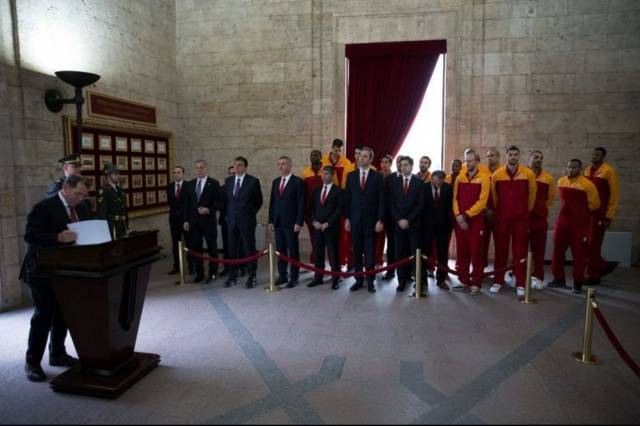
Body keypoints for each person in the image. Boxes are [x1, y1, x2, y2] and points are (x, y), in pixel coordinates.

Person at [21, 175, 89, 382]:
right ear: (66, 188)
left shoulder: (81, 208)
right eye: (78, 194)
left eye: (83, 196)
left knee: (63, 314)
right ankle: (32, 362)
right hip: (41, 270)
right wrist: (57, 237)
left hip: (67, 270)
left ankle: (57, 353)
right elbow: (30, 236)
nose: (80, 199)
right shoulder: (44, 207)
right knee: (43, 316)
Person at [490, 145, 536, 297]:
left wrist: (524, 212)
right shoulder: (497, 174)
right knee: (500, 251)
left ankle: (520, 282)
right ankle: (498, 281)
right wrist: (500, 212)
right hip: (502, 218)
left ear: (519, 156)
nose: (513, 157)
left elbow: (532, 196)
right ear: (506, 156)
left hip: (521, 220)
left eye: (516, 154)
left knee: (520, 251)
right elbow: (494, 197)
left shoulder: (528, 174)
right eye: (510, 154)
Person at [547, 159, 600, 294]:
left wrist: (581, 215)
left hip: (579, 224)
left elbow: (595, 205)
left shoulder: (588, 185)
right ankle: (558, 278)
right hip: (562, 222)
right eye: (569, 167)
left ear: (580, 169)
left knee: (579, 254)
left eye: (574, 167)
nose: (571, 169)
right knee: (557, 250)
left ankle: (578, 282)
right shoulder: (561, 181)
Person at [344, 147, 384, 293]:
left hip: (371, 221)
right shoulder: (351, 176)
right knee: (356, 251)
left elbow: (381, 200)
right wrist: (347, 218)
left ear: (371, 159)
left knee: (369, 251)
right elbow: (347, 198)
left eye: (365, 156)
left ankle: (370, 280)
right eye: (360, 155)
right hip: (355, 220)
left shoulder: (377, 176)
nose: (361, 158)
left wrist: (380, 219)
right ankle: (358, 279)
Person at [453, 150, 490, 295]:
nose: (467, 163)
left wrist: (466, 215)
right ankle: (463, 280)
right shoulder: (460, 178)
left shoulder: (484, 179)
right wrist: (458, 216)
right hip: (460, 221)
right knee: (462, 252)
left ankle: (476, 282)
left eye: (470, 160)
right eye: (466, 161)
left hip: (476, 221)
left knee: (476, 252)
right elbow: (455, 199)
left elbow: (482, 202)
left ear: (477, 162)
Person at [223, 156, 263, 289]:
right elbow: (228, 201)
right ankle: (232, 276)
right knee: (232, 249)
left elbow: (258, 201)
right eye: (235, 164)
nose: (237, 167)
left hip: (247, 220)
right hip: (232, 221)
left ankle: (252, 276)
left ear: (245, 167)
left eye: (240, 165)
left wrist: (248, 213)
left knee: (249, 249)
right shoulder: (228, 181)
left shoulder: (253, 181)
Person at [183, 160, 223, 284]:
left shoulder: (214, 183)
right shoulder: (190, 184)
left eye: (201, 167)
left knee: (212, 248)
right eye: (197, 168)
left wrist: (209, 210)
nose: (199, 170)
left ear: (206, 168)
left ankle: (213, 272)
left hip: (208, 222)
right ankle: (199, 273)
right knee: (196, 248)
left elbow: (220, 202)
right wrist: (186, 220)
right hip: (194, 222)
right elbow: (186, 204)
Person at [269, 156, 305, 288]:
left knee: (293, 250)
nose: (280, 166)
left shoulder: (298, 182)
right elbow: (273, 202)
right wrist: (271, 220)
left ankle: (294, 277)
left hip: (291, 223)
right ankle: (282, 275)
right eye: (279, 164)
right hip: (278, 222)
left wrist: (298, 222)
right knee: (280, 250)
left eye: (283, 164)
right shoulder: (276, 182)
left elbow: (301, 204)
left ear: (289, 166)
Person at [584, 147, 619, 285]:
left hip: (600, 215)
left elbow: (614, 195)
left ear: (603, 157)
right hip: (587, 214)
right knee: (586, 244)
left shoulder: (608, 171)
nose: (594, 156)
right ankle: (603, 265)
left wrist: (608, 216)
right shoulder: (587, 170)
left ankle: (593, 275)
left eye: (598, 155)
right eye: (593, 154)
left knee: (593, 244)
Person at [389, 156, 424, 293]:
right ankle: (401, 281)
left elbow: (420, 205)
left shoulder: (418, 182)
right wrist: (399, 220)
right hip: (398, 225)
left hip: (413, 225)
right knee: (399, 254)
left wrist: (408, 220)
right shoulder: (395, 182)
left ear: (411, 166)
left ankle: (417, 281)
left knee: (415, 254)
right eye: (401, 165)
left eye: (406, 165)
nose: (403, 167)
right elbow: (391, 203)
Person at [308, 166, 343, 290]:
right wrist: (314, 221)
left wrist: (327, 223)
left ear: (332, 175)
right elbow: (312, 208)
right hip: (317, 227)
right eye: (322, 173)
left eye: (327, 173)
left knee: (333, 254)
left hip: (331, 228)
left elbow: (339, 210)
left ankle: (336, 278)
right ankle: (318, 277)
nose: (323, 176)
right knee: (318, 253)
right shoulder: (317, 190)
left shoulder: (338, 191)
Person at [422, 170, 453, 290]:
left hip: (443, 225)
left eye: (440, 180)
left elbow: (450, 206)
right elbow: (420, 205)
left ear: (443, 180)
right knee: (424, 252)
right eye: (435, 180)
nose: (437, 183)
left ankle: (441, 280)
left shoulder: (448, 188)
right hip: (426, 226)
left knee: (442, 253)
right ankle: (422, 280)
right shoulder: (424, 187)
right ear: (432, 178)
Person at [527, 151, 554, 290]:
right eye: (536, 157)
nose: (539, 160)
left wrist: (540, 208)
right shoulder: (523, 174)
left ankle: (538, 277)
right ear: (530, 159)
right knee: (520, 250)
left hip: (539, 219)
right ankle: (518, 276)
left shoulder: (547, 178)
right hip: (524, 218)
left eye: (541, 158)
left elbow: (550, 199)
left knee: (539, 250)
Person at [302, 150, 324, 264]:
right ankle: (315, 257)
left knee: (322, 236)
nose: (313, 157)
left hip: (324, 209)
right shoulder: (305, 172)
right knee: (313, 235)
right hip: (310, 210)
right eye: (311, 155)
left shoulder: (326, 171)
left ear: (321, 157)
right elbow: (302, 192)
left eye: (315, 155)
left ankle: (320, 258)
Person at [482, 148, 502, 270]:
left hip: (500, 215)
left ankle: (498, 272)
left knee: (500, 244)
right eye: (488, 156)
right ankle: (480, 271)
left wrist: (498, 211)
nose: (489, 158)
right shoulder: (483, 172)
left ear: (498, 157)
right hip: (484, 213)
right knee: (482, 244)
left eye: (492, 155)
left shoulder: (503, 172)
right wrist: (485, 209)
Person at [381, 156, 400, 281]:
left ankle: (406, 273)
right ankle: (390, 271)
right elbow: (385, 198)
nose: (401, 165)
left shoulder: (413, 179)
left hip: (406, 219)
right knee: (392, 246)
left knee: (405, 247)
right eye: (399, 162)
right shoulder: (389, 178)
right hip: (391, 218)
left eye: (403, 163)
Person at [97, 163, 128, 239]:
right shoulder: (104, 191)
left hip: (122, 226)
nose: (118, 176)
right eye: (115, 174)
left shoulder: (120, 190)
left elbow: (124, 210)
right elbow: (102, 214)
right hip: (112, 227)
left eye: (118, 173)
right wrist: (105, 233)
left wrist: (126, 226)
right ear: (108, 175)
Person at [167, 166, 188, 275]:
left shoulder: (189, 185)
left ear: (183, 173)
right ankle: (177, 266)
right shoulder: (169, 186)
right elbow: (170, 203)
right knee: (175, 243)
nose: (176, 174)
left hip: (186, 219)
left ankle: (191, 265)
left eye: (178, 172)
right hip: (174, 219)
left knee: (189, 242)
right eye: (174, 172)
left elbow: (190, 203)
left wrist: (187, 219)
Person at [375, 155, 393, 268]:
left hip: (391, 213)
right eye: (382, 162)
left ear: (390, 164)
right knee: (378, 239)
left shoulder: (394, 177)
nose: (384, 164)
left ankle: (391, 266)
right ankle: (377, 261)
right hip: (378, 211)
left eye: (386, 162)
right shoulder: (376, 176)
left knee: (391, 240)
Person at [219, 165, 237, 277]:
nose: (231, 175)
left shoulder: (241, 186)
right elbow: (220, 204)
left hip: (238, 221)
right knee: (226, 245)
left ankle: (240, 267)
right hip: (225, 220)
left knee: (238, 245)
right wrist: (226, 215)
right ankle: (227, 267)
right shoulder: (222, 188)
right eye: (230, 173)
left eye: (233, 173)